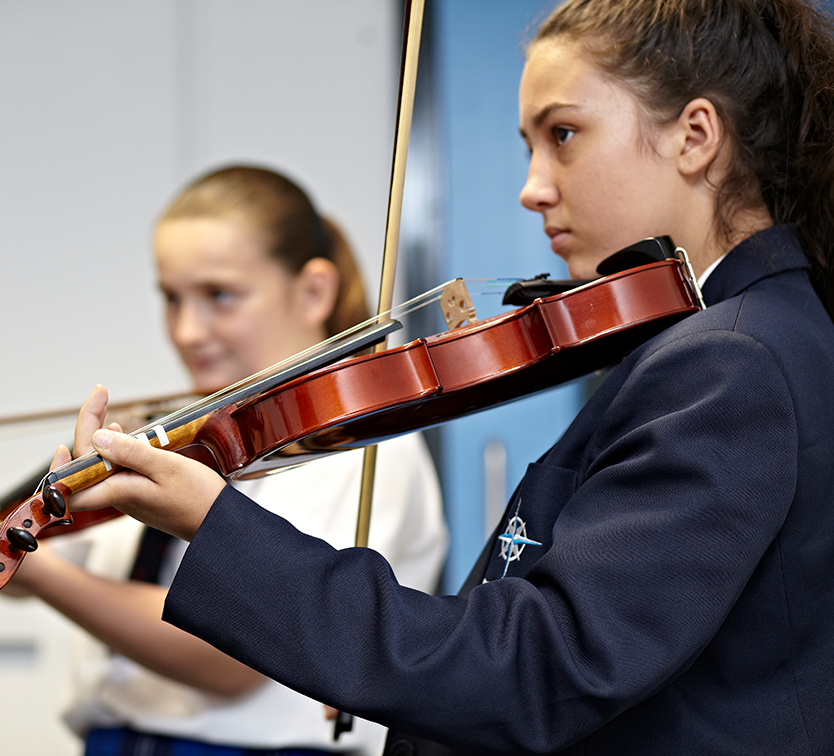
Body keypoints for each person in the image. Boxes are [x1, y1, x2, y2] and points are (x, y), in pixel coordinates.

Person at [59, 2, 834, 753]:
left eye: (563, 135)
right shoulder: (739, 333)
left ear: (695, 136)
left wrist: (217, 525)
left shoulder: (731, 358)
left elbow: (540, 668)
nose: (533, 185)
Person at [0, 165, 448, 755]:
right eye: (172, 299)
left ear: (313, 290)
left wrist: (28, 565)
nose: (186, 330)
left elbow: (230, 661)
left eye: (219, 296)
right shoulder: (188, 428)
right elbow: (24, 550)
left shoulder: (351, 447)